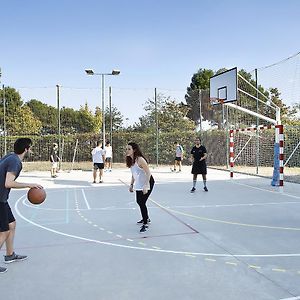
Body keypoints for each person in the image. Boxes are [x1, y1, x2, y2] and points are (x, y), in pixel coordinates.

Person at [0, 138, 43, 274]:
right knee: (4, 231)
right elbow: (8, 183)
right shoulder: (15, 161)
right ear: (26, 149)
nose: (31, 150)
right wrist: (29, 185)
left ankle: (10, 254)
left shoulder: (9, 156)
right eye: (30, 148)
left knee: (11, 225)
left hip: (2, 198)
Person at [126, 142, 155, 233]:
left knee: (142, 202)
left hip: (148, 181)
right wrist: (131, 185)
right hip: (139, 182)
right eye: (126, 149)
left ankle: (145, 223)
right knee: (139, 201)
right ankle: (146, 218)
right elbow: (133, 174)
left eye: (129, 149)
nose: (127, 151)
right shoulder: (130, 160)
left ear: (134, 150)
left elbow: (148, 173)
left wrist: (146, 185)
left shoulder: (140, 160)